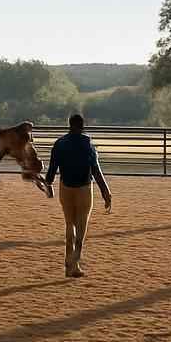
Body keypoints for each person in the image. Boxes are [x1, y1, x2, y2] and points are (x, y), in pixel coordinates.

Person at [44, 113, 113, 278]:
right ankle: (74, 261)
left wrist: (47, 183)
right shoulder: (88, 144)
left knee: (70, 223)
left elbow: (52, 171)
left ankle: (69, 265)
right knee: (81, 225)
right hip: (84, 188)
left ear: (69, 124)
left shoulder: (59, 144)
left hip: (65, 187)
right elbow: (96, 170)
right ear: (82, 126)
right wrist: (105, 191)